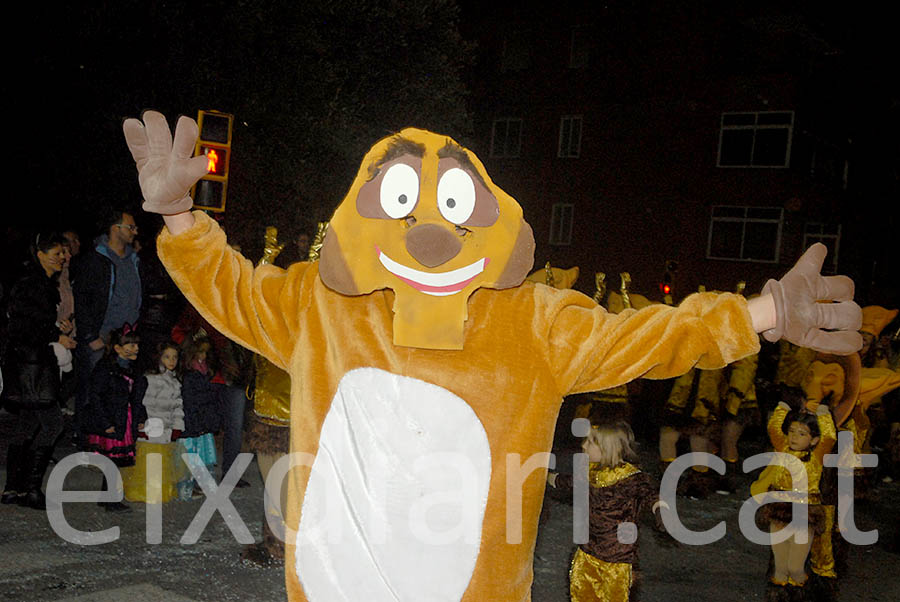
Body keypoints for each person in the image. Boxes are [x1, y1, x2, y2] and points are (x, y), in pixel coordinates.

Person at [123, 112, 861, 601]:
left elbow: (652, 338)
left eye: (449, 208)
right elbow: (232, 291)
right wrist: (181, 218)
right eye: (403, 203)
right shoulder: (324, 308)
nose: (428, 235)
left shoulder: (532, 325)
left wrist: (765, 312)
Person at [547, 422, 666, 601]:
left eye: (590, 442)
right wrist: (544, 475)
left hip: (617, 562)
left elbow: (652, 495)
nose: (583, 445)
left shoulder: (631, 478)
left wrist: (662, 513)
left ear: (608, 448)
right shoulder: (588, 472)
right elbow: (565, 482)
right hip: (587, 554)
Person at [1, 232, 76, 509]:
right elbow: (22, 327)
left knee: (28, 424)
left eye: (64, 253)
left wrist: (57, 329)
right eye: (57, 253)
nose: (63, 258)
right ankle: (30, 489)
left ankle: (14, 488)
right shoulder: (31, 284)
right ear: (41, 254)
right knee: (52, 423)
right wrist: (55, 337)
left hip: (30, 364)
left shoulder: (40, 284)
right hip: (31, 366)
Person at [751, 387, 835, 600]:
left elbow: (830, 437)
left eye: (802, 434)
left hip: (803, 515)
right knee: (780, 567)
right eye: (792, 432)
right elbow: (773, 428)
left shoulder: (817, 456)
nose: (794, 437)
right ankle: (778, 596)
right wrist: (783, 406)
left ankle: (801, 595)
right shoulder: (782, 449)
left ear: (814, 440)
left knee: (795, 567)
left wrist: (824, 411)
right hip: (779, 511)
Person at [72, 208, 143, 445]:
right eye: (130, 227)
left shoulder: (133, 259)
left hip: (125, 338)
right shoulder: (96, 258)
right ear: (116, 229)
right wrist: (91, 335)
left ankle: (112, 443)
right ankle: (84, 442)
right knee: (93, 390)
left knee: (119, 393)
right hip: (101, 336)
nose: (135, 231)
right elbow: (81, 299)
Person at [82, 324, 144, 512]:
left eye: (136, 345)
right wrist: (105, 423)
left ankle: (106, 496)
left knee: (114, 461)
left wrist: (140, 417)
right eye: (130, 345)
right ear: (117, 348)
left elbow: (137, 398)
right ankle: (112, 499)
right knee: (112, 460)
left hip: (124, 418)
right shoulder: (106, 368)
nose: (136, 349)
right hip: (111, 419)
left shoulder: (132, 369)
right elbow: (95, 396)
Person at [177, 330, 221, 499]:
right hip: (192, 421)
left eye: (205, 352)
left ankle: (199, 484)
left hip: (202, 420)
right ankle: (187, 488)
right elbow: (190, 400)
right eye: (200, 352)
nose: (203, 356)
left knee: (202, 454)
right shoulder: (190, 374)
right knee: (191, 456)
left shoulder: (203, 371)